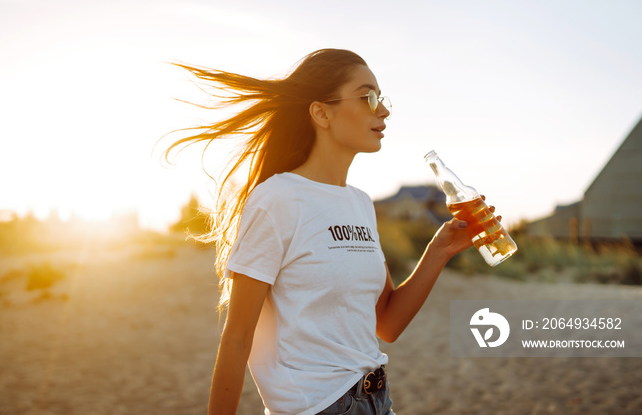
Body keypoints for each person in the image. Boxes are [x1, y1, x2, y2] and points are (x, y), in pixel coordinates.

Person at [165, 49, 485, 415]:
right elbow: (237, 338)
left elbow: (388, 323)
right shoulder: (277, 199)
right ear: (321, 112)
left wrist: (439, 250)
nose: (383, 110)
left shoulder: (361, 204)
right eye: (368, 97)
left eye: (381, 99)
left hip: (378, 402)